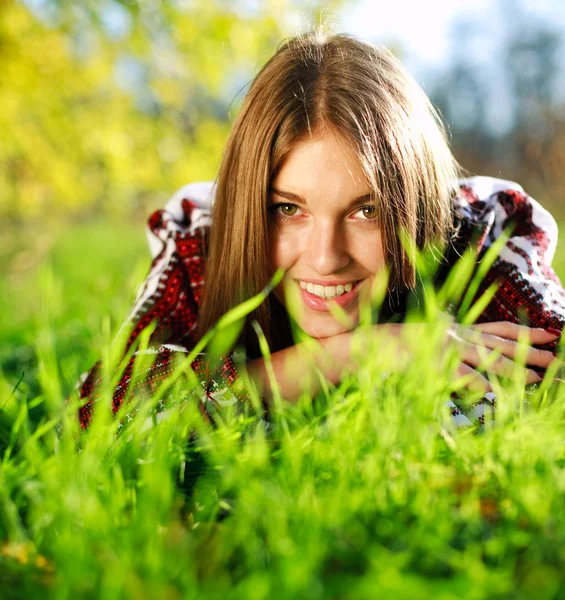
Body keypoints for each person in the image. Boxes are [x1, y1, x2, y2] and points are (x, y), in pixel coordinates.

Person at [76, 31, 565, 432]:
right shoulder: (202, 240)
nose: (326, 257)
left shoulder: (480, 234)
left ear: (415, 204)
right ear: (251, 203)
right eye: (288, 209)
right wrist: (357, 353)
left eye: (366, 210)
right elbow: (98, 416)